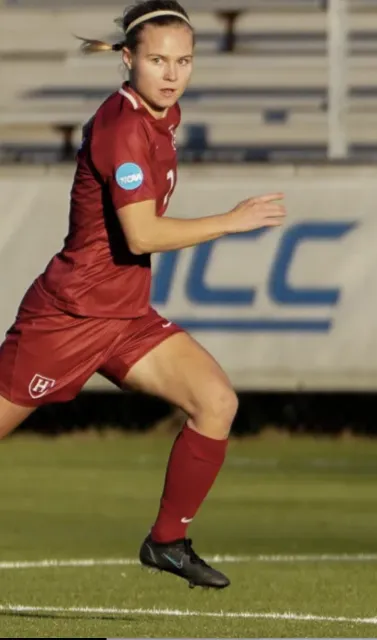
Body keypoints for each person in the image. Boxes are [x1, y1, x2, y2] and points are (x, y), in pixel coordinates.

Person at [0, 0, 286, 590]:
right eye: (157, 60)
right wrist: (229, 221)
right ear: (128, 59)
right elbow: (143, 233)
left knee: (216, 401)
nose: (172, 72)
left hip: (123, 314)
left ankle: (167, 541)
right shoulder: (124, 126)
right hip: (70, 315)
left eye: (183, 60)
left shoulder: (161, 114)